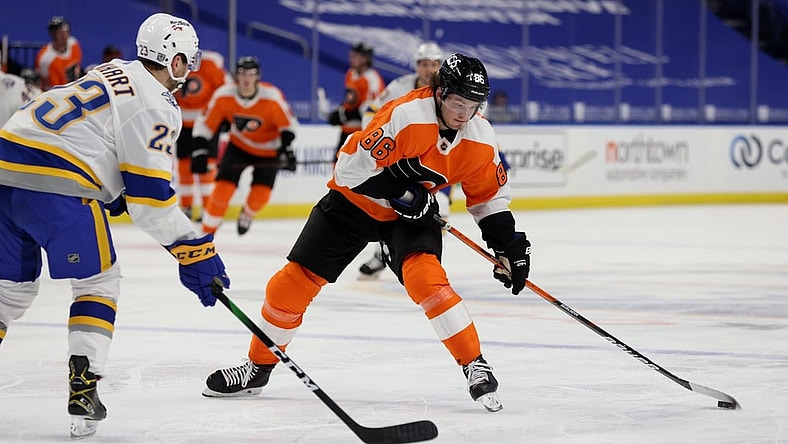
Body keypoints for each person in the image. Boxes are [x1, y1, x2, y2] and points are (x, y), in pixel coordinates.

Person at [202, 53, 531, 413]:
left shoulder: (480, 137)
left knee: (427, 280)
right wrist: (404, 193)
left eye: (473, 106)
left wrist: (508, 245)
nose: (464, 114)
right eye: (457, 103)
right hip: (354, 203)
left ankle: (474, 364)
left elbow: (488, 198)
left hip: (409, 217)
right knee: (290, 285)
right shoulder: (406, 116)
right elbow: (348, 169)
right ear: (440, 93)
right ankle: (257, 368)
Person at [0, 13, 230, 438]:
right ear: (175, 60)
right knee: (98, 282)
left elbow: (97, 134)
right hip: (57, 183)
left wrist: (113, 185)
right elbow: (151, 202)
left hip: (5, 168)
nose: (189, 68)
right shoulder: (158, 103)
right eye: (187, 59)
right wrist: (194, 250)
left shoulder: (113, 69)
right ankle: (84, 386)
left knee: (8, 293)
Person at [357, 42, 446, 279]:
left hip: (438, 166)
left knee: (435, 216)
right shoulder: (399, 87)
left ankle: (426, 266)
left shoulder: (449, 90)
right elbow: (372, 112)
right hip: (402, 162)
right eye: (424, 64)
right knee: (392, 207)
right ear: (416, 66)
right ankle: (382, 255)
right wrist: (374, 141)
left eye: (434, 64)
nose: (429, 69)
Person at [195, 56, 299, 236]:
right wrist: (199, 149)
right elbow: (205, 125)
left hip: (268, 151)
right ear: (236, 76)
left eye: (251, 74)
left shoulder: (271, 97)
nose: (246, 79)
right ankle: (205, 235)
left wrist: (286, 149)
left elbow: (289, 126)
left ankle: (247, 214)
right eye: (242, 73)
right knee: (221, 191)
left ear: (258, 76)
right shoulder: (224, 95)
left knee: (260, 196)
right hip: (239, 146)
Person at [174, 49, 233, 221]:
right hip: (182, 123)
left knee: (207, 165)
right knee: (184, 165)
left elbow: (226, 91)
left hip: (207, 124)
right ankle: (186, 207)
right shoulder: (173, 60)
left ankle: (209, 208)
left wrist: (224, 116)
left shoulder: (210, 64)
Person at [327, 42, 384, 157]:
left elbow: (370, 110)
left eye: (355, 56)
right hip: (346, 131)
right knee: (338, 163)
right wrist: (340, 111)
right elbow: (350, 100)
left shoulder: (372, 79)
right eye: (351, 55)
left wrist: (344, 116)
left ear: (365, 59)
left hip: (362, 133)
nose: (351, 58)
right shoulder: (351, 74)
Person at [35, 16, 83, 91]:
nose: (64, 35)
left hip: (74, 88)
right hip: (54, 93)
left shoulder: (73, 44)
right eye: (59, 32)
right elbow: (47, 85)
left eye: (66, 31)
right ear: (52, 34)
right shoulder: (45, 59)